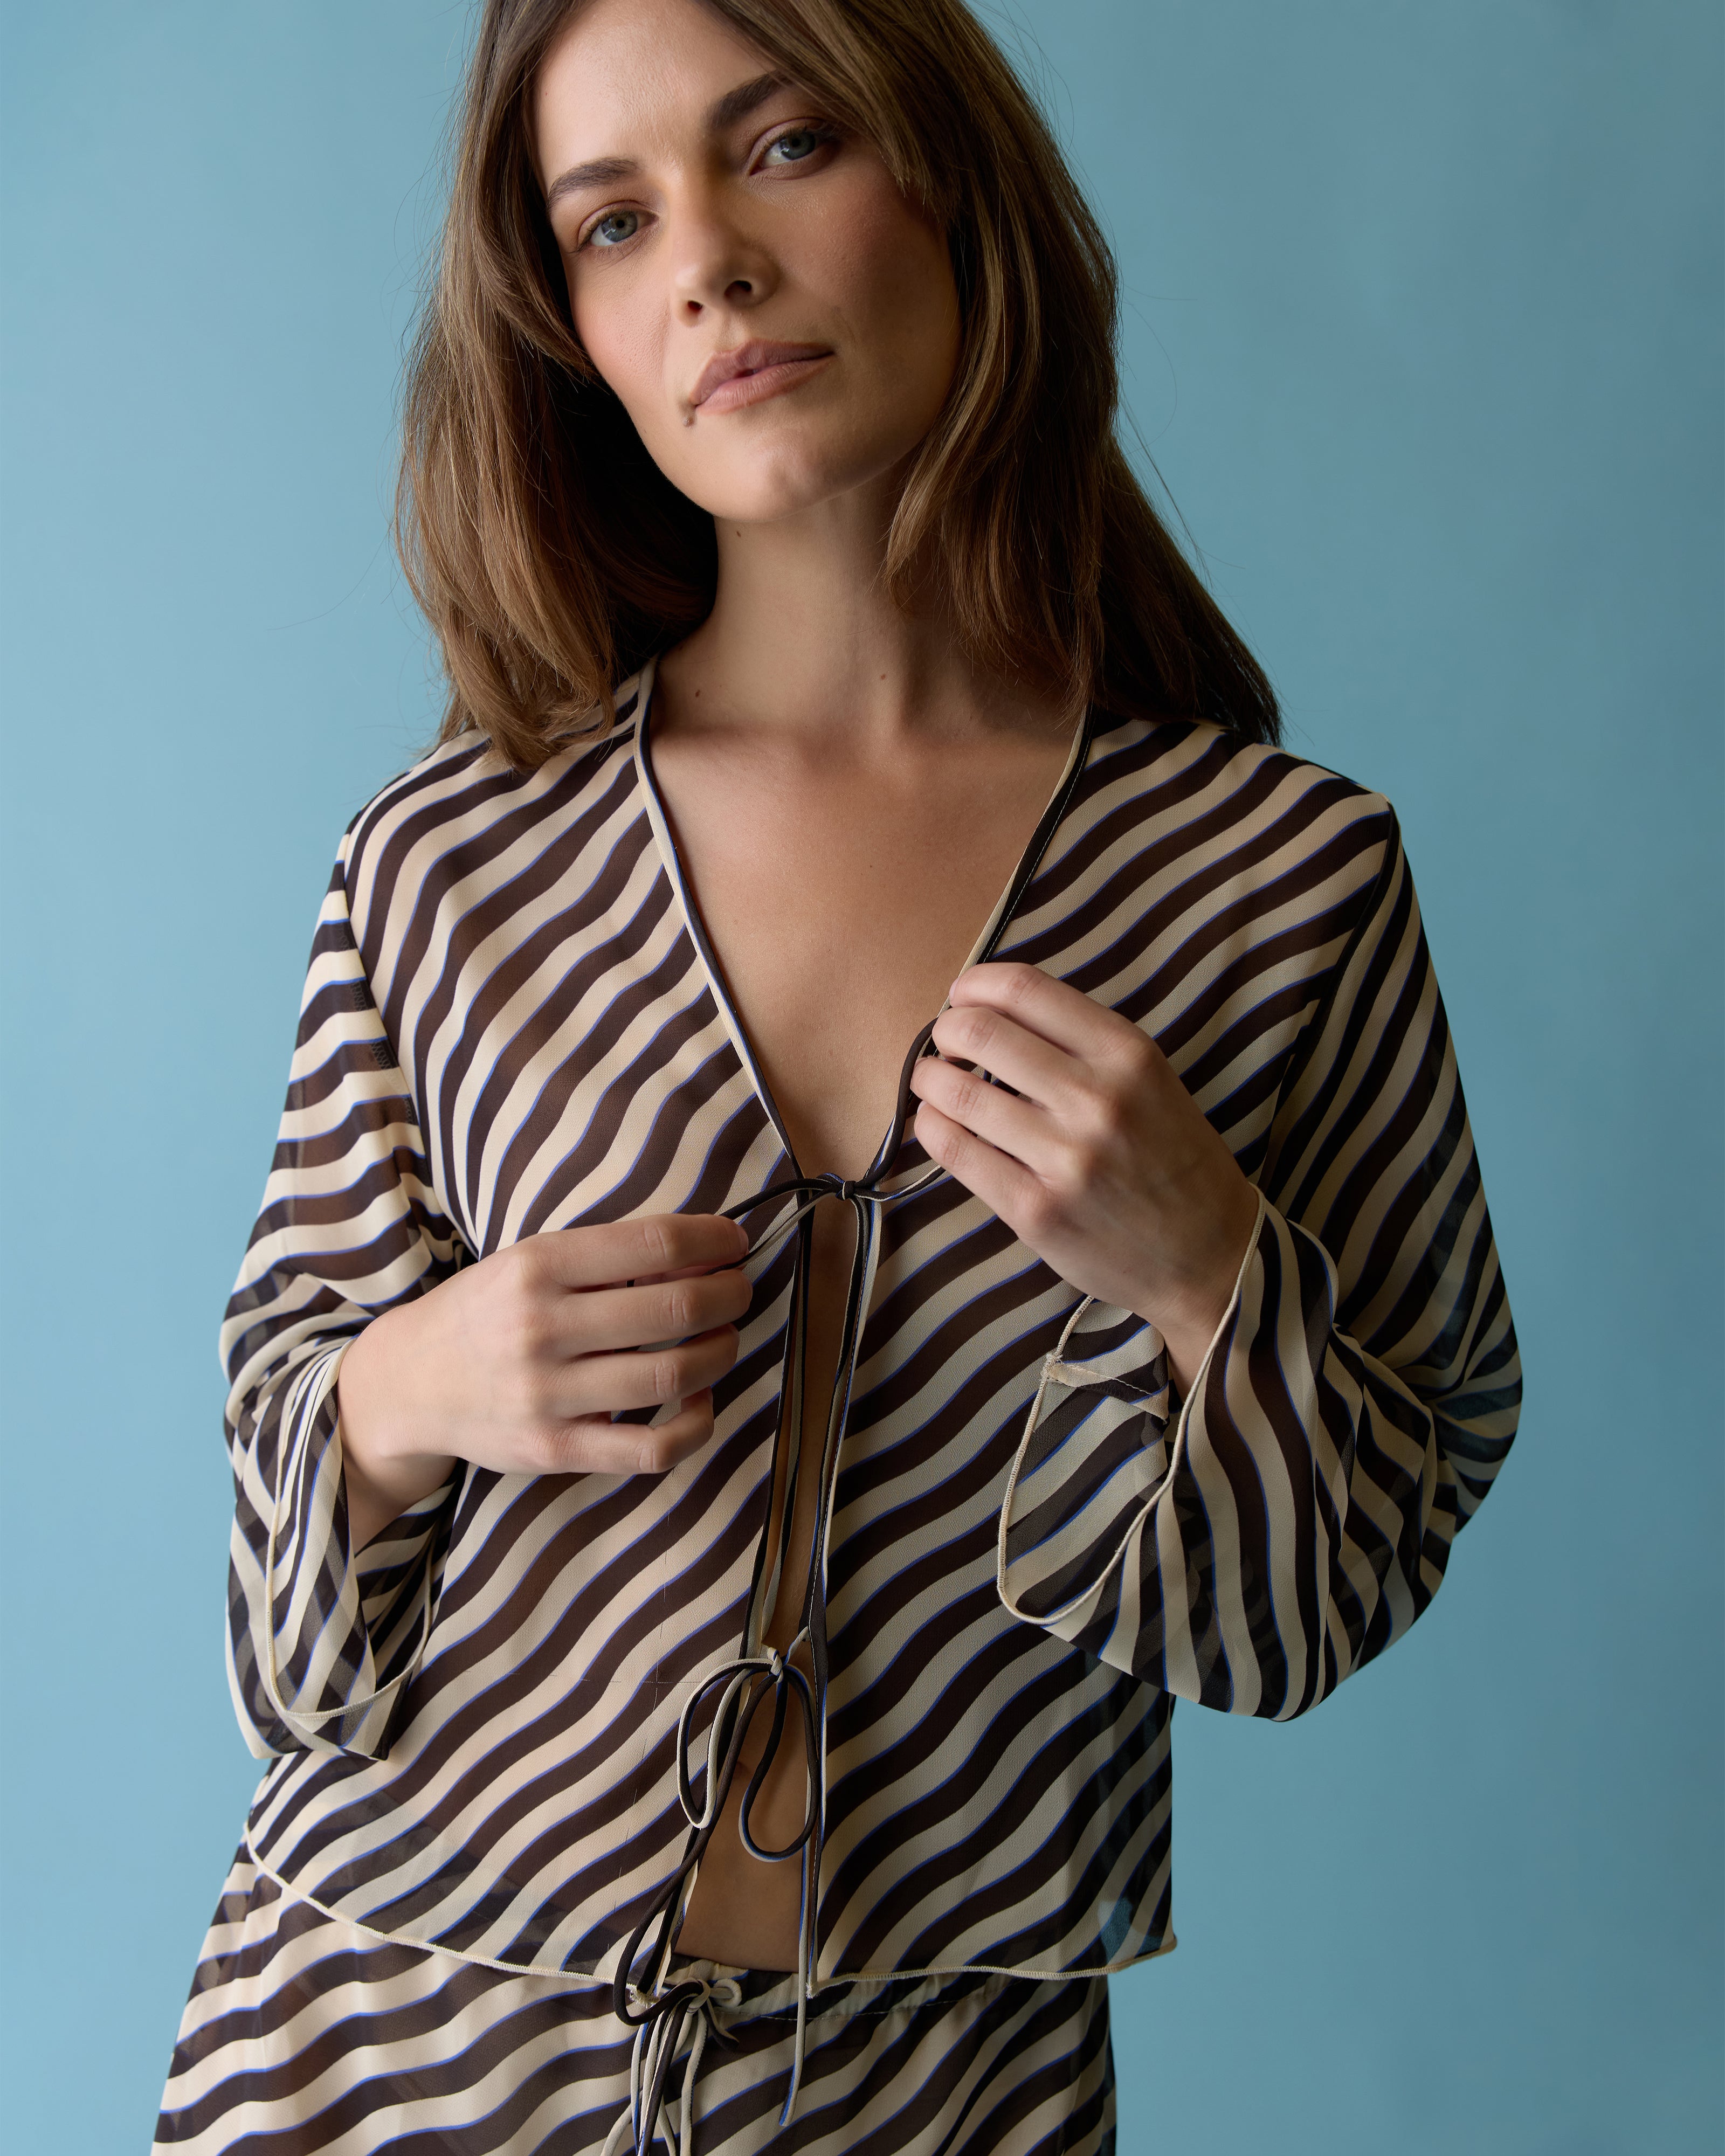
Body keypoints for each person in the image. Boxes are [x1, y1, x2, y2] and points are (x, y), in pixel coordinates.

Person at [155, 0, 1521, 2148]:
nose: (700, 260)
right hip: (380, 2042)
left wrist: (1202, 1268)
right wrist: (406, 1390)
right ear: (570, 333)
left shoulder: (1280, 888)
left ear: (948, 179)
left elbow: (1330, 1588)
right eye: (608, 222)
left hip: (939, 2083)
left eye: (778, 146)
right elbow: (281, 1639)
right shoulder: (449, 867)